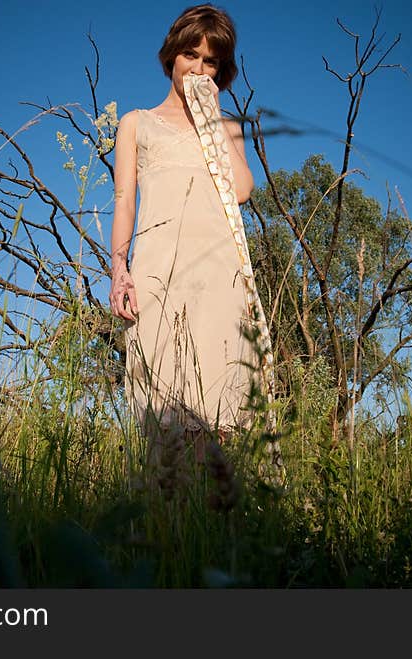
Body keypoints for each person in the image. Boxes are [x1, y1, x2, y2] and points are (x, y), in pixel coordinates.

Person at [108, 4, 273, 467]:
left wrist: (213, 121)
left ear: (221, 71)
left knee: (218, 414)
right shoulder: (136, 123)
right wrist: (119, 271)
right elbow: (124, 201)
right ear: (171, 57)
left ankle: (214, 528)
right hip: (157, 275)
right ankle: (165, 530)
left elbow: (241, 190)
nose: (198, 68)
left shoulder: (228, 128)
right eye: (191, 55)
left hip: (220, 279)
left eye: (211, 61)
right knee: (161, 413)